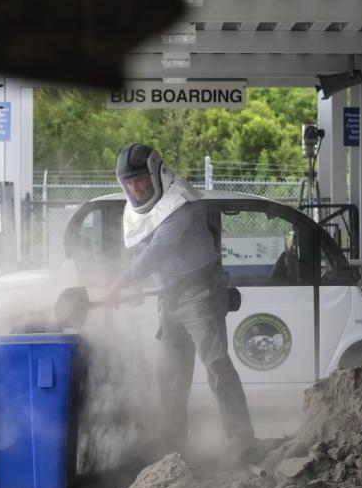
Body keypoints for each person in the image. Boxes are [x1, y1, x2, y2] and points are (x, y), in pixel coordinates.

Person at [104, 143, 256, 462]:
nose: (135, 188)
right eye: (128, 183)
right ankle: (172, 447)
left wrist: (123, 282)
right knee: (170, 374)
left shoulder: (180, 203)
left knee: (216, 363)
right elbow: (140, 253)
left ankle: (242, 440)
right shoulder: (135, 213)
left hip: (201, 292)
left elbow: (159, 249)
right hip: (169, 296)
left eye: (140, 180)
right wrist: (134, 287)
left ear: (156, 173)